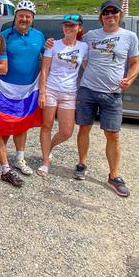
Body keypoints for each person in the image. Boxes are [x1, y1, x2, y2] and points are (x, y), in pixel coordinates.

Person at [75, 0, 139, 197]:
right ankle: (82, 163)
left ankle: (114, 175)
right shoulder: (90, 36)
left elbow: (135, 63)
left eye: (114, 12)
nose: (110, 15)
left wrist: (129, 79)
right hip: (88, 90)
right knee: (84, 128)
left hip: (112, 94)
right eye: (106, 12)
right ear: (101, 16)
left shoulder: (130, 37)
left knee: (113, 135)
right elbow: (78, 52)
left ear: (120, 14)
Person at [0, 0, 45, 187]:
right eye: (21, 15)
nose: (24, 19)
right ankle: (1, 153)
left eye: (28, 16)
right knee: (4, 121)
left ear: (32, 19)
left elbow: (48, 57)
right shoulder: (4, 35)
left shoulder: (39, 36)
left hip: (27, 89)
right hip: (4, 88)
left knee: (22, 124)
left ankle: (20, 158)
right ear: (15, 17)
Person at [37, 15, 88, 176]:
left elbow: (88, 68)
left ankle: (49, 146)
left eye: (72, 26)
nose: (69, 28)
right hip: (51, 89)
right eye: (66, 25)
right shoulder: (53, 45)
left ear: (79, 27)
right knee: (47, 126)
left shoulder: (84, 47)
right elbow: (44, 70)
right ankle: (45, 161)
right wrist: (42, 92)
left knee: (67, 131)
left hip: (69, 92)